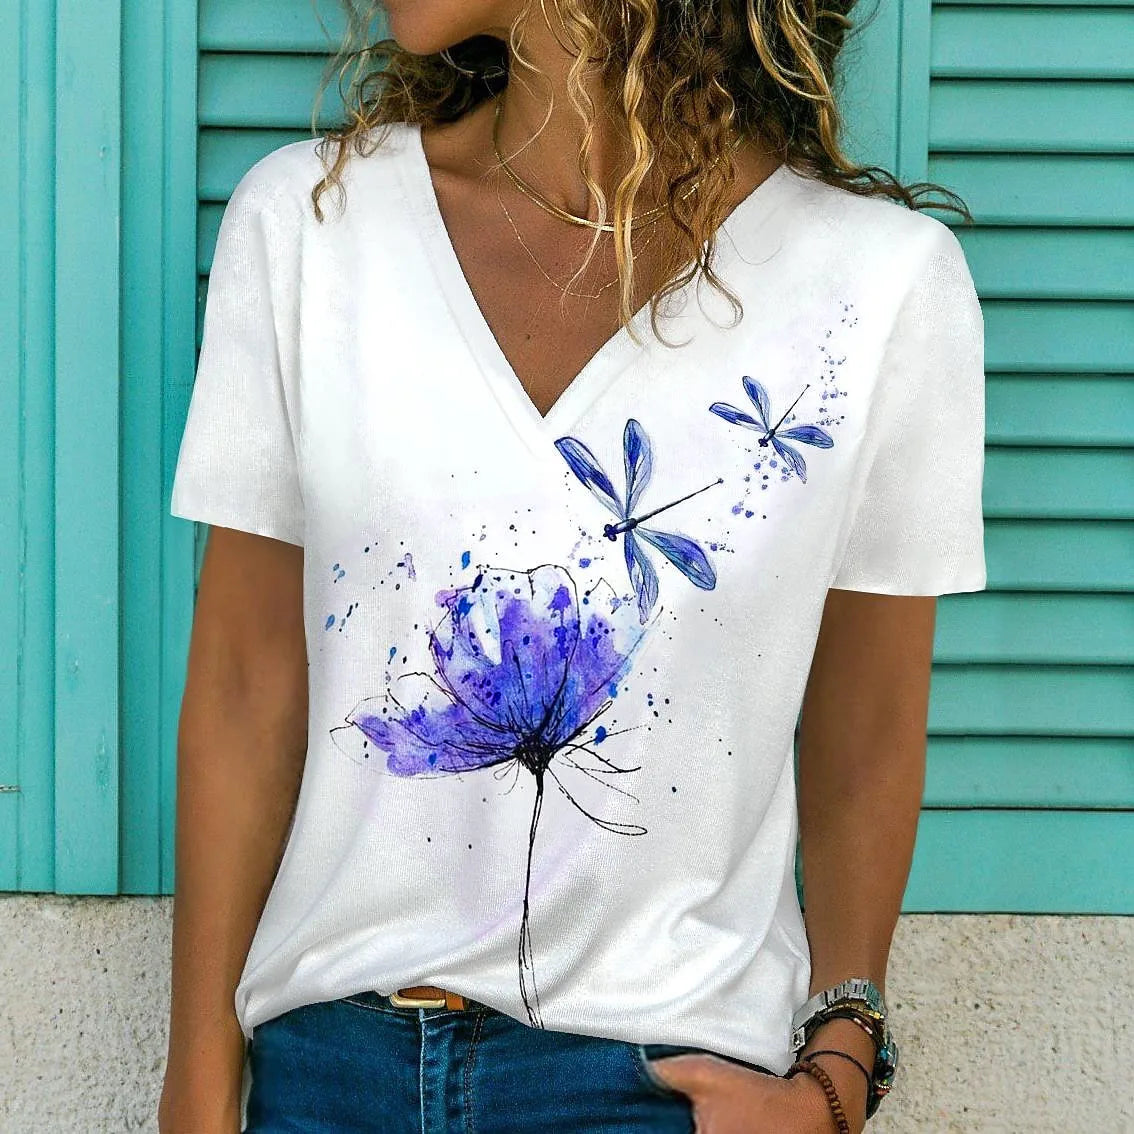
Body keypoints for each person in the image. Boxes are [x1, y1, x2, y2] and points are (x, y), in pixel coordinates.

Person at [158, 0, 987, 1131]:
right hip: (325, 1070)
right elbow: (247, 694)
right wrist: (197, 1089)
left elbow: (868, 733)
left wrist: (835, 1082)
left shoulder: (879, 286)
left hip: (655, 1081)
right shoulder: (311, 224)